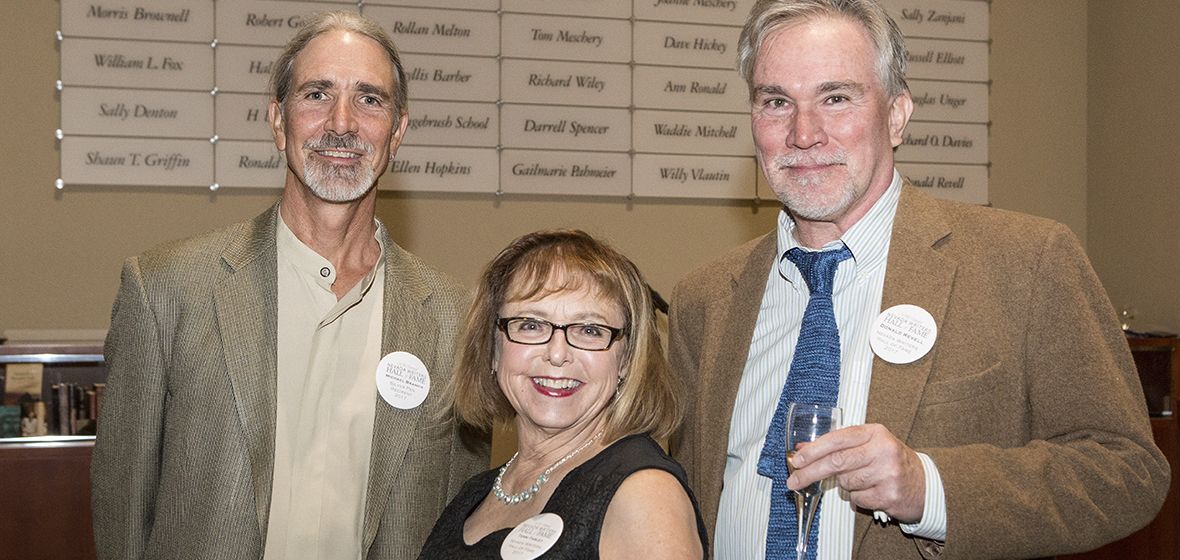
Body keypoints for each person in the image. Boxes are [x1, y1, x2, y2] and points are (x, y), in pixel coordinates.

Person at [668, 0, 1170, 558]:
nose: (803, 133)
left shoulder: (1025, 263)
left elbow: (1126, 470)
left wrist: (930, 487)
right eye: (776, 102)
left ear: (897, 115)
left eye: (836, 98)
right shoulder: (705, 299)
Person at [91, 11, 487, 560]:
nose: (342, 123)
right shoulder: (166, 291)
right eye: (317, 95)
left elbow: (456, 526)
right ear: (279, 122)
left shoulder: (455, 319)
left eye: (369, 99)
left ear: (397, 130)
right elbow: (123, 515)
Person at [418, 230, 708, 559]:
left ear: (627, 359)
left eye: (589, 330)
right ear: (493, 350)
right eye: (531, 324)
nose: (557, 354)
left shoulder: (644, 495)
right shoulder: (478, 492)